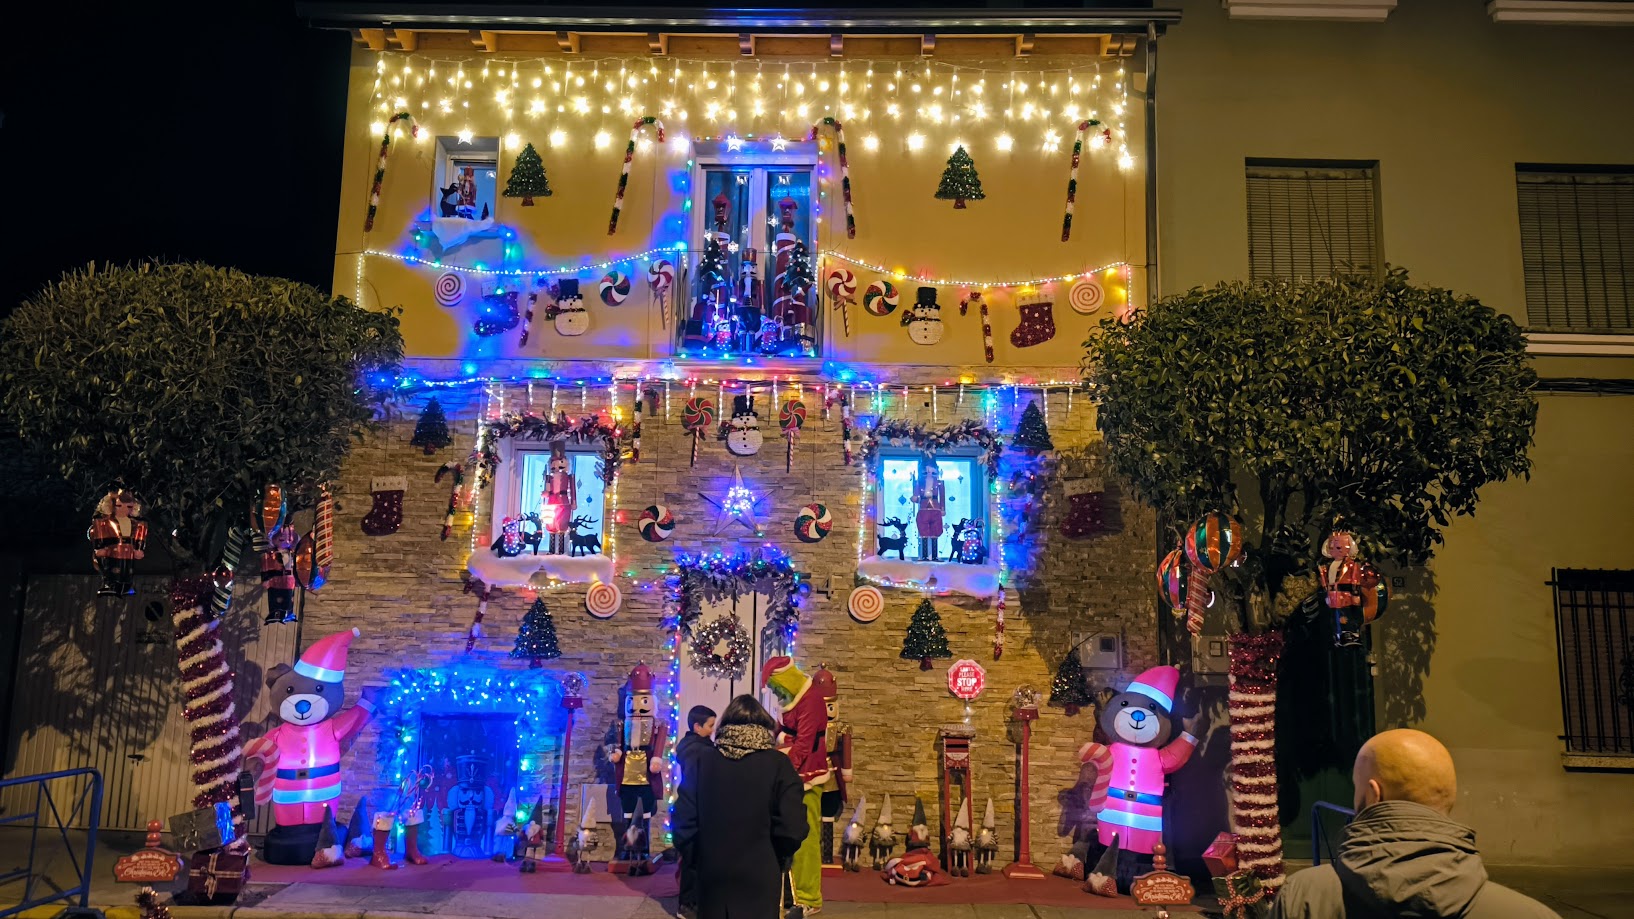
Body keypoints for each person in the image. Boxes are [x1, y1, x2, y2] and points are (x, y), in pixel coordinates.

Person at [1272, 729, 1560, 919]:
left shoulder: (1303, 898)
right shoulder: (1530, 913)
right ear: (1448, 799)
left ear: (1373, 794)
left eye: (1356, 787)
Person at [675, 695, 808, 919]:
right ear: (765, 727)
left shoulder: (702, 761)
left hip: (712, 875)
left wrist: (698, 859)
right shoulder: (778, 765)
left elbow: (682, 822)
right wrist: (778, 857)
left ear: (725, 726)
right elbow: (793, 826)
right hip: (761, 874)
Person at [674, 705, 716, 919]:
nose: (712, 731)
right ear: (697, 726)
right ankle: (687, 905)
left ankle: (692, 901)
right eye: (710, 726)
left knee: (693, 861)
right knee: (693, 862)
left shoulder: (691, 746)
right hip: (693, 813)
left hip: (688, 810)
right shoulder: (699, 750)